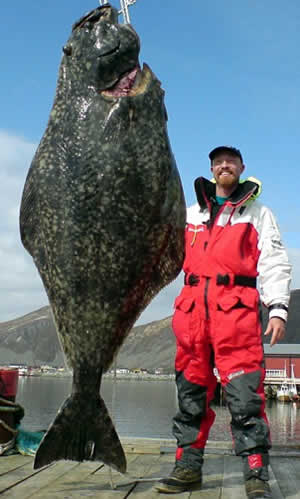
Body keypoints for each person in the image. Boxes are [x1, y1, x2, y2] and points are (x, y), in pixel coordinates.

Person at [154, 146, 292, 498]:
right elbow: (161, 255)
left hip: (238, 317)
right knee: (190, 396)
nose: (224, 166)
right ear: (212, 169)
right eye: (218, 162)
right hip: (192, 318)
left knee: (246, 398)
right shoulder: (189, 215)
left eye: (230, 161)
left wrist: (277, 309)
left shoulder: (258, 214)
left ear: (242, 167)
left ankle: (256, 472)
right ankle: (188, 466)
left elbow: (274, 261)